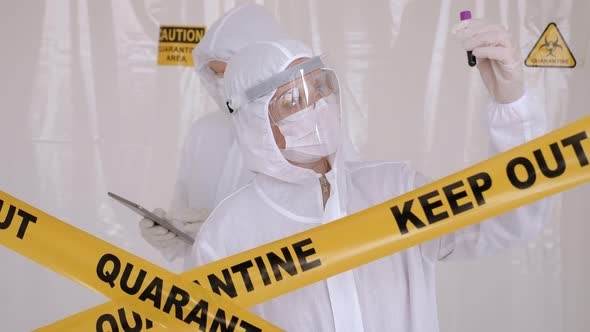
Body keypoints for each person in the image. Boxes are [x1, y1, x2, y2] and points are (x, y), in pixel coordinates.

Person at [186, 18, 551, 331]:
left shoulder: (395, 190)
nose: (316, 107)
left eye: (319, 87)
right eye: (293, 101)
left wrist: (513, 109)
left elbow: (507, 220)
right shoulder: (228, 235)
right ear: (254, 122)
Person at [138, 3, 289, 261]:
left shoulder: (304, 132)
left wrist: (226, 230)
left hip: (273, 296)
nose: (223, 85)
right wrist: (169, 236)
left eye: (230, 72)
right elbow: (185, 225)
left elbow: (318, 229)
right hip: (204, 291)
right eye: (216, 75)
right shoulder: (204, 133)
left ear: (264, 65)